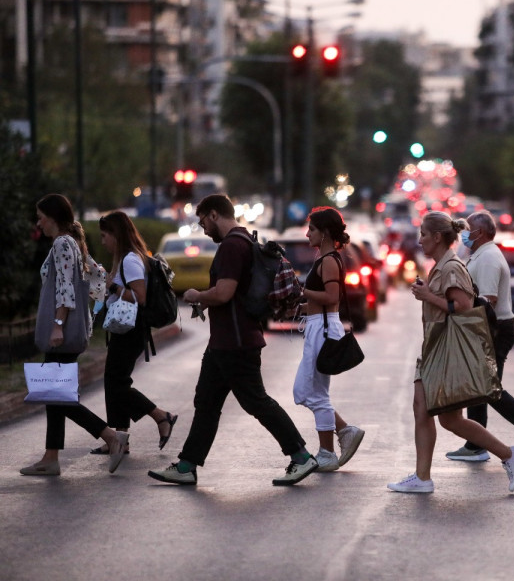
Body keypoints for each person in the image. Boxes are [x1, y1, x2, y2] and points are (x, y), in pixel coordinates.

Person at [148, 194, 316, 486]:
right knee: (207, 402)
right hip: (225, 341)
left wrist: (197, 296)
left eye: (203, 222)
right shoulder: (245, 241)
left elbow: (224, 292)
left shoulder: (232, 246)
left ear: (214, 215)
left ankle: (301, 456)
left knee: (256, 402)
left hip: (236, 342)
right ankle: (187, 465)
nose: (203, 229)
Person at [387, 211, 514, 493]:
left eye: (424, 234)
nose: (420, 240)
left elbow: (462, 306)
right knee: (432, 413)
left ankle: (508, 454)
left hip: (446, 350)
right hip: (436, 346)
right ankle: (423, 477)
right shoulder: (442, 265)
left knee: (442, 416)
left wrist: (428, 297)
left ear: (437, 237)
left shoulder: (451, 266)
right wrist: (429, 292)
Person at [20, 194, 129, 476]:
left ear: (53, 217)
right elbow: (97, 278)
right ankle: (50, 458)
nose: (38, 222)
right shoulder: (73, 242)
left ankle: (110, 437)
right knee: (56, 394)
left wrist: (58, 323)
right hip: (70, 329)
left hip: (62, 332)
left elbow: (66, 288)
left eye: (41, 216)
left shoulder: (61, 243)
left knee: (59, 396)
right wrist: (92, 312)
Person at [444, 211, 514, 462]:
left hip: (493, 329)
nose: (463, 233)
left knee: (486, 388)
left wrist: (453, 309)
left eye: (467, 229)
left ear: (480, 233)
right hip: (488, 328)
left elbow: (487, 301)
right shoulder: (481, 255)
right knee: (479, 387)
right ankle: (475, 444)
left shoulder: (488, 258)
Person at [88, 211, 178, 455]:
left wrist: (113, 286)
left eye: (105, 235)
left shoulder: (130, 260)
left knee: (116, 382)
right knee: (116, 381)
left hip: (132, 329)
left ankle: (161, 416)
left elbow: (140, 297)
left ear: (116, 235)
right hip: (126, 329)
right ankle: (120, 439)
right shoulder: (127, 258)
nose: (103, 241)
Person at [291, 206, 365, 472]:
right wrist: (301, 306)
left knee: (315, 394)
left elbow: (332, 299)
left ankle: (327, 453)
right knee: (305, 392)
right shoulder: (325, 260)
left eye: (311, 228)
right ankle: (345, 431)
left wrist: (303, 291)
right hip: (318, 325)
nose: (307, 233)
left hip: (323, 329)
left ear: (323, 233)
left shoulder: (330, 261)